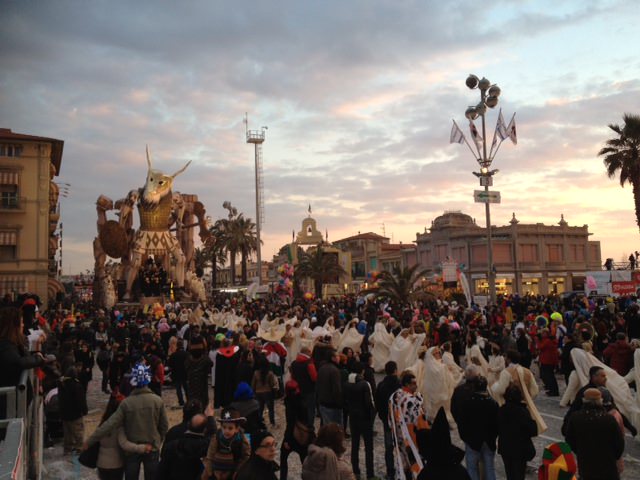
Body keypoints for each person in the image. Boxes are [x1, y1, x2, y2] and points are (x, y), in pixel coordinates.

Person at [84, 363, 169, 480]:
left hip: (132, 448)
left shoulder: (126, 403)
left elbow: (110, 423)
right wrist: (158, 440)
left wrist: (90, 440)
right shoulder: (157, 401)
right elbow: (164, 426)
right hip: (152, 446)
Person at [565, 388, 624, 480]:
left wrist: (580, 451)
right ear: (600, 400)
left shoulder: (576, 418)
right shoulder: (608, 419)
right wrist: (614, 456)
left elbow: (569, 439)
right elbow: (619, 442)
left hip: (586, 461)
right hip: (608, 463)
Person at [0, 306, 47, 418]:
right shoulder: (5, 345)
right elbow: (18, 362)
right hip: (8, 409)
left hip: (13, 406)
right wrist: (37, 359)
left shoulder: (11, 343)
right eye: (21, 322)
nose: (23, 325)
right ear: (13, 326)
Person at [96, 392, 151, 480]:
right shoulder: (119, 426)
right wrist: (142, 448)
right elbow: (124, 444)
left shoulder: (103, 423)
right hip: (115, 464)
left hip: (101, 463)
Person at [454, 376, 498, 480]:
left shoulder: (467, 403)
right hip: (488, 441)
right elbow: (497, 424)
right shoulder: (493, 403)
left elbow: (462, 422)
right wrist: (493, 437)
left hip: (472, 441)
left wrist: (465, 438)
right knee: (489, 468)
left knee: (472, 468)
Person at [389, 371, 427, 479]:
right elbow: (420, 421)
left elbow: (390, 418)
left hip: (398, 435)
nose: (416, 385)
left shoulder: (393, 397)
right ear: (406, 384)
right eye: (413, 383)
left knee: (402, 463)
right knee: (415, 463)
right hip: (411, 437)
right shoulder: (412, 400)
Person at [497, 385, 537, 480]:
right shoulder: (522, 411)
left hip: (505, 447)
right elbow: (533, 430)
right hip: (520, 448)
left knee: (510, 474)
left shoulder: (501, 410)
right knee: (519, 475)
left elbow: (496, 428)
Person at [345, 361, 376, 480]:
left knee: (355, 445)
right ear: (362, 371)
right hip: (365, 418)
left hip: (353, 418)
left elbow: (345, 400)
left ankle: (355, 471)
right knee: (369, 448)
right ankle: (370, 474)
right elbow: (369, 403)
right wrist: (371, 415)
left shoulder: (347, 383)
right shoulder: (364, 384)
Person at [201, 408, 251, 480]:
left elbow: (246, 456)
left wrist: (237, 470)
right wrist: (210, 472)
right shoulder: (217, 436)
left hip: (234, 466)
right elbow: (210, 454)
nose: (226, 431)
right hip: (217, 464)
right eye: (224, 427)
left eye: (230, 428)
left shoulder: (241, 439)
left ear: (237, 429)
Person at [157, 414, 211, 480]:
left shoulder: (172, 445)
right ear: (205, 430)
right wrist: (211, 418)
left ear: (188, 425)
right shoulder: (205, 446)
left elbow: (161, 472)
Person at [280, 379, 311, 480]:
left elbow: (291, 423)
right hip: (303, 435)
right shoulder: (303, 400)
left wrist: (287, 439)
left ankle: (283, 478)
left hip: (293, 436)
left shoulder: (290, 403)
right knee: (304, 461)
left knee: (283, 457)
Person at [375, 361, 400, 480]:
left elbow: (378, 402)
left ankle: (390, 472)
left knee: (388, 448)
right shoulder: (400, 384)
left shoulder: (381, 385)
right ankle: (403, 470)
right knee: (402, 447)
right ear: (395, 370)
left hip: (387, 421)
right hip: (400, 422)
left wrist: (383, 416)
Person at [58, 366, 88, 454]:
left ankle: (67, 449)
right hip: (75, 413)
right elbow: (81, 400)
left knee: (67, 433)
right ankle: (79, 448)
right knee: (78, 432)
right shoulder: (77, 386)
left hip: (65, 413)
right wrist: (84, 410)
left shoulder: (61, 384)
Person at [290, 345, 318, 428]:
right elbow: (314, 378)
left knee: (302, 407)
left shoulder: (294, 363)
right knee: (310, 409)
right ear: (307, 352)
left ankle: (302, 423)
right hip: (310, 390)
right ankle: (310, 425)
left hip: (298, 389)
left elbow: (292, 377)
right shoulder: (309, 363)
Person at [316, 348, 343, 426]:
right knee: (335, 429)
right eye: (337, 356)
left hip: (323, 403)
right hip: (332, 405)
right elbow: (337, 390)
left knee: (327, 427)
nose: (339, 357)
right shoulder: (334, 370)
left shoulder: (322, 368)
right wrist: (340, 403)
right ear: (332, 358)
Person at [252, 354, 279, 427]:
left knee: (260, 409)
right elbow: (272, 384)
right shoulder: (270, 373)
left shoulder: (256, 373)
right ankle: (272, 423)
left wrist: (254, 392)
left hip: (258, 393)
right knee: (270, 409)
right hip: (268, 392)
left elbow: (253, 384)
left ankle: (259, 422)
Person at [537, 329, 559, 396]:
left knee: (549, 376)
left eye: (543, 333)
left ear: (546, 334)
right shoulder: (549, 340)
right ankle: (552, 390)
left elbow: (540, 347)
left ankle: (553, 391)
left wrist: (538, 340)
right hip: (549, 360)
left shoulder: (547, 341)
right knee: (550, 376)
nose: (541, 334)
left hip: (547, 360)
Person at [166, 341, 188, 406]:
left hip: (176, 374)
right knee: (186, 388)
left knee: (178, 389)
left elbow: (170, 365)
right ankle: (189, 400)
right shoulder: (186, 354)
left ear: (177, 346)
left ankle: (181, 402)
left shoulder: (173, 355)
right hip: (185, 374)